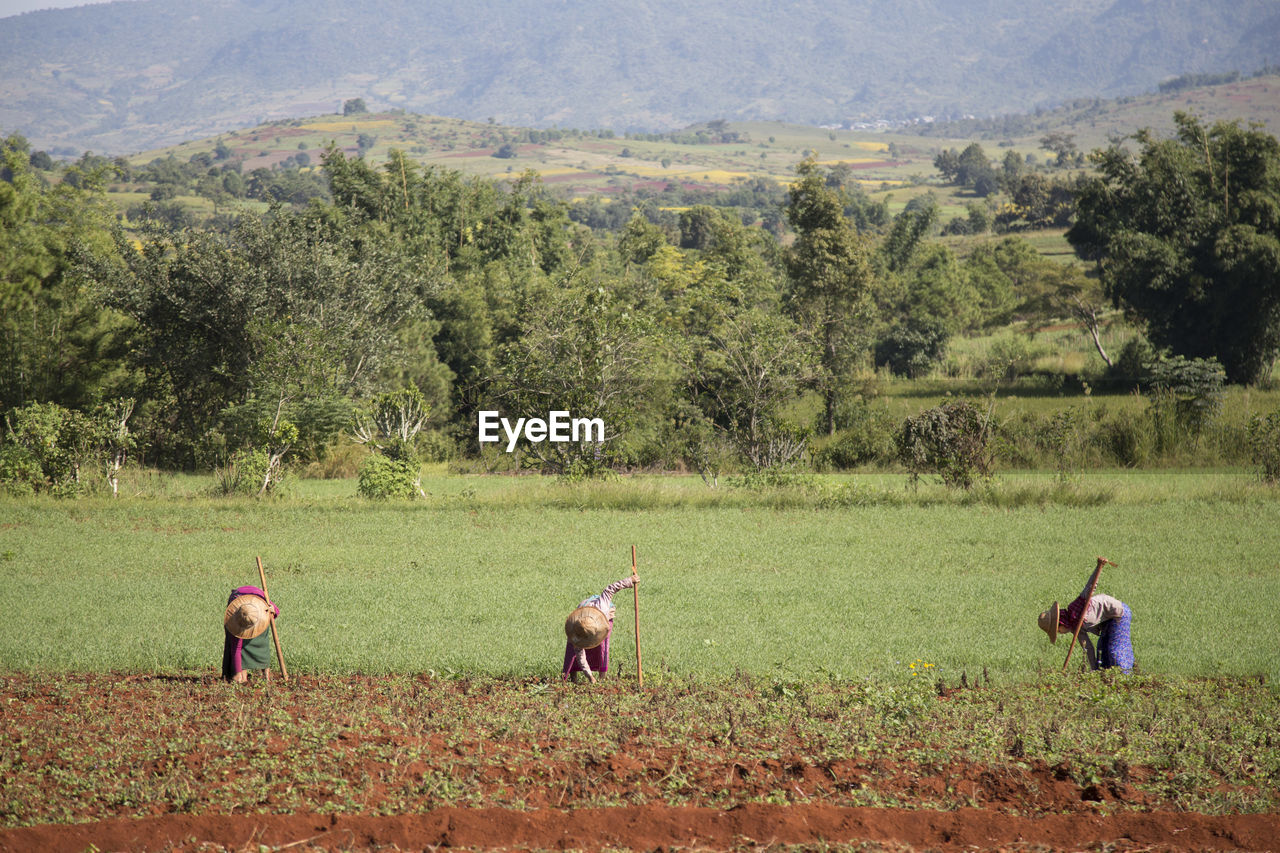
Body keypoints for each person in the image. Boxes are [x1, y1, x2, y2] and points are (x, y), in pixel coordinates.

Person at [1039, 566, 1133, 673]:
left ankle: (1126, 676)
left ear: (1061, 623)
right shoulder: (1075, 627)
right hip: (1107, 622)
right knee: (1102, 652)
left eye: (1057, 630)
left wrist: (1099, 567)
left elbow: (1090, 586)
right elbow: (1088, 647)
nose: (1060, 633)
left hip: (1119, 614)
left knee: (1114, 651)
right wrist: (1094, 670)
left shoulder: (1078, 608)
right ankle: (1107, 678)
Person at [562, 575, 637, 683]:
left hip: (604, 614)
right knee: (572, 650)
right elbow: (580, 656)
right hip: (584, 611)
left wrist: (629, 581)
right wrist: (590, 676)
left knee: (602, 647)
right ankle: (572, 678)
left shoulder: (603, 606)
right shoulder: (576, 628)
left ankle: (602, 678)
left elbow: (610, 589)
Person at [222, 585, 280, 683]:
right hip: (238, 603)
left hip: (257, 605)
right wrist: (237, 673)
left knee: (262, 639)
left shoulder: (261, 600)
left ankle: (266, 675)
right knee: (239, 645)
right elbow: (236, 648)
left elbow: (276, 611)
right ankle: (242, 675)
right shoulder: (234, 619)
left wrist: (272, 610)